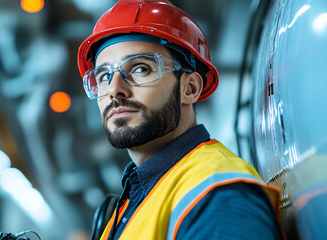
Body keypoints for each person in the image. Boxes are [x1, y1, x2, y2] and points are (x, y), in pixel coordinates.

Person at [77, 0, 284, 239]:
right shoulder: (136, 201)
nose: (114, 89)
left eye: (140, 69)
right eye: (104, 76)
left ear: (190, 88)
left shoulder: (216, 196)